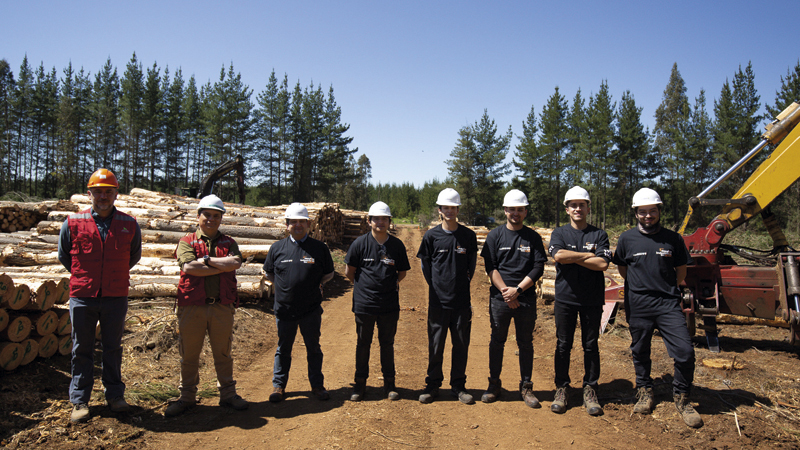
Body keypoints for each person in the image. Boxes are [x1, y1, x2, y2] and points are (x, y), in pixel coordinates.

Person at [612, 187, 703, 428]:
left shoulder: (673, 239)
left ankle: (682, 397)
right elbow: (623, 268)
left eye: (652, 211)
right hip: (638, 303)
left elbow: (681, 271)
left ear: (659, 211)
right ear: (636, 213)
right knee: (640, 350)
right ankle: (644, 390)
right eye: (643, 212)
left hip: (667, 303)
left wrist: (667, 287)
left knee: (685, 351)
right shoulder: (627, 238)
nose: (648, 216)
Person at [58, 168, 142, 423]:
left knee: (113, 347)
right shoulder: (73, 222)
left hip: (115, 297)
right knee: (81, 348)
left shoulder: (129, 224)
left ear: (116, 193)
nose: (103, 196)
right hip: (83, 296)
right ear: (90, 193)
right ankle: (80, 400)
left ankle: (115, 396)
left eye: (108, 191)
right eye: (98, 192)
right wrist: (88, 276)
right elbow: (64, 256)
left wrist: (111, 276)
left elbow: (133, 256)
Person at [165, 195, 249, 417]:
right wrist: (222, 266)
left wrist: (206, 261)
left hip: (221, 307)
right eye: (207, 215)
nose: (211, 219)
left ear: (221, 218)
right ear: (198, 216)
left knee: (223, 353)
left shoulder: (229, 242)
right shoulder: (187, 241)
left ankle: (228, 395)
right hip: (192, 307)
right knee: (189, 354)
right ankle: (187, 397)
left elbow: (236, 262)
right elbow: (190, 268)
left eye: (216, 216)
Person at [479, 189, 547, 408]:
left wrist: (517, 289)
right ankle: (494, 384)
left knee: (525, 342)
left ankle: (526, 387)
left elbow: (538, 267)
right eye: (511, 209)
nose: (515, 213)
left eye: (520, 209)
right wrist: (506, 293)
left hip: (525, 298)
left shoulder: (533, 237)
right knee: (497, 341)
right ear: (505, 210)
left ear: (525, 211)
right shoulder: (495, 235)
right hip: (500, 300)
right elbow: (491, 266)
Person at [548, 186, 611, 416]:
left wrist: (572, 257)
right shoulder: (560, 233)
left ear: (588, 208)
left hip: (592, 300)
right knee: (563, 345)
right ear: (567, 209)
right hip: (565, 299)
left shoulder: (599, 234)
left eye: (581, 204)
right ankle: (562, 388)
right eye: (573, 205)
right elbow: (558, 256)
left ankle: (590, 389)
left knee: (590, 345)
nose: (577, 208)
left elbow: (602, 264)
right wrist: (588, 255)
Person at [263, 203, 335, 403]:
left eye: (301, 222)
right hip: (285, 309)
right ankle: (279, 386)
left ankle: (317, 385)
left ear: (308, 224)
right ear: (287, 225)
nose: (297, 225)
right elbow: (269, 272)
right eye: (293, 222)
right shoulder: (277, 248)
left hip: (311, 310)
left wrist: (314, 284)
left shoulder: (319, 248)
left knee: (313, 347)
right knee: (283, 348)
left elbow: (328, 274)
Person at [416, 188, 478, 405]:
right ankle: (432, 385)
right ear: (440, 210)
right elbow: (425, 264)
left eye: (453, 207)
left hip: (461, 302)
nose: (449, 211)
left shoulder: (468, 236)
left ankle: (458, 386)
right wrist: (436, 286)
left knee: (460, 344)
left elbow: (471, 264)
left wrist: (461, 285)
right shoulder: (431, 236)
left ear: (457, 209)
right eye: (445, 207)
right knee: (436, 344)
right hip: (438, 302)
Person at [345, 201, 411, 401]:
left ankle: (389, 384)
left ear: (390, 221)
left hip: (389, 305)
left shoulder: (396, 245)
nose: (380, 222)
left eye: (384, 218)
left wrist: (386, 287)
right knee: (363, 344)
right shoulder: (359, 244)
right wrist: (366, 289)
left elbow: (402, 273)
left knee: (387, 344)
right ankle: (360, 384)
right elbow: (349, 272)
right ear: (369, 221)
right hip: (365, 305)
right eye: (376, 219)